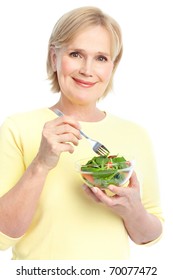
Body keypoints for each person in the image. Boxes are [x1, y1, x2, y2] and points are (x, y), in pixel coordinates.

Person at [0, 6, 163, 260]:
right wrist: (41, 164)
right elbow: (3, 235)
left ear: (112, 66)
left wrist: (132, 211)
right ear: (54, 57)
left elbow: (149, 236)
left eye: (101, 58)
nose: (87, 69)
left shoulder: (136, 134)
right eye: (76, 54)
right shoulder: (17, 128)